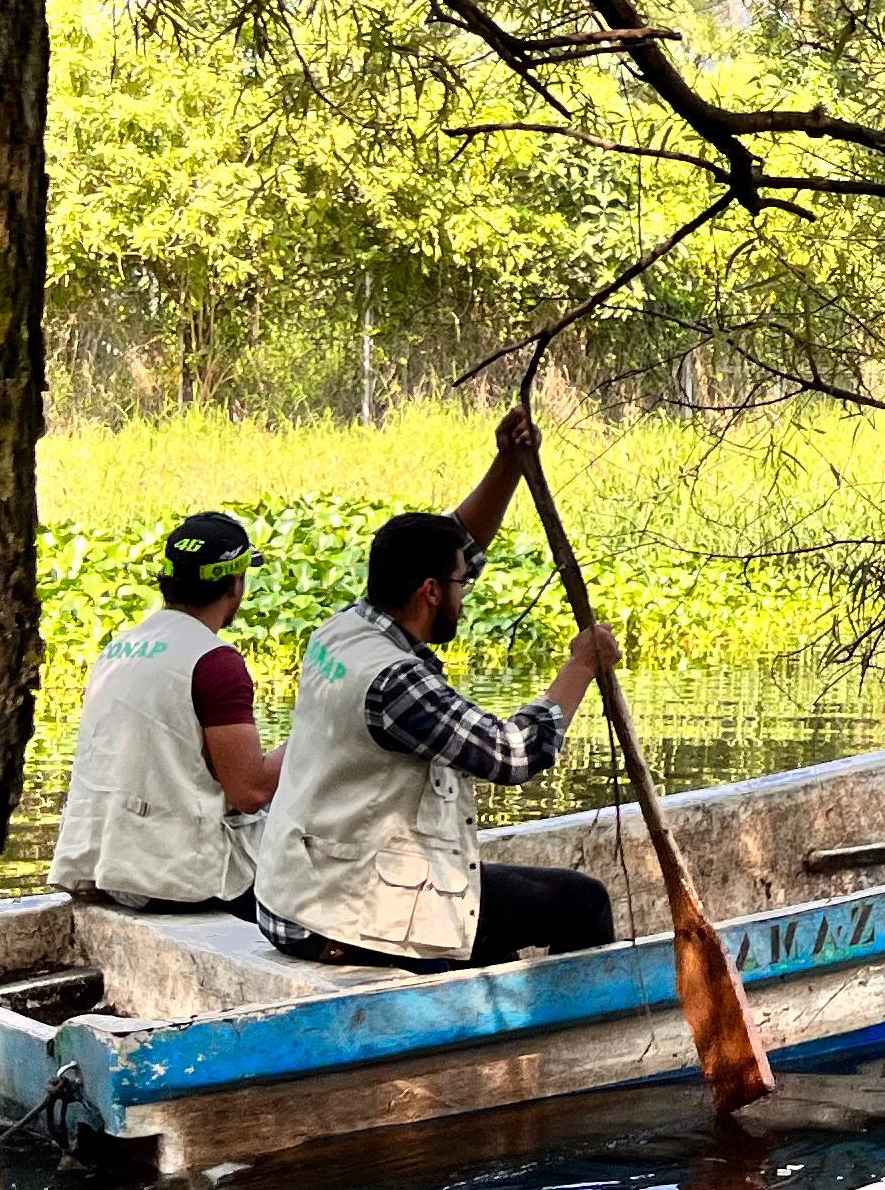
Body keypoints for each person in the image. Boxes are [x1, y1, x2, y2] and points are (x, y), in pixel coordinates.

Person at [254, 408, 621, 970]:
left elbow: (459, 543)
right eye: (461, 584)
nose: (466, 590)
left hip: (295, 895)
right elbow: (514, 755)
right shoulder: (397, 683)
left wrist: (508, 465)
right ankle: (567, 1042)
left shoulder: (343, 626)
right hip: (344, 915)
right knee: (583, 902)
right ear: (429, 592)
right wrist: (582, 665)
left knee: (495, 927)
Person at [50, 509, 278, 915]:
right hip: (177, 879)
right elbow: (250, 793)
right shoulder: (215, 661)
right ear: (236, 584)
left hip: (107, 866)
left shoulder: (117, 649)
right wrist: (317, 731)